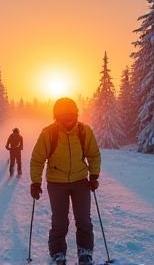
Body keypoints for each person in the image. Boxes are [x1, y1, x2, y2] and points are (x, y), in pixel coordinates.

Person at [30, 97, 101, 265]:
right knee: (60, 220)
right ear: (56, 115)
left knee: (83, 219)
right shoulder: (49, 132)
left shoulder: (84, 131)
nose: (67, 117)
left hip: (80, 181)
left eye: (70, 114)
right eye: (63, 114)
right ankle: (58, 252)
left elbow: (93, 154)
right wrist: (36, 182)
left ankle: (85, 251)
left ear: (75, 114)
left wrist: (94, 175)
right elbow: (37, 159)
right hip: (56, 183)